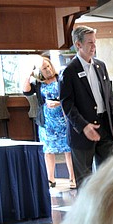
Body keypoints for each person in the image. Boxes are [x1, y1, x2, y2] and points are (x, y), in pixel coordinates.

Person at [60, 25, 113, 186]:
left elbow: (109, 96)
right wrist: (84, 126)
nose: (94, 46)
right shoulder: (69, 71)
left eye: (94, 42)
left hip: (104, 127)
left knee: (107, 177)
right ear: (78, 44)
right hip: (82, 132)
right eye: (90, 43)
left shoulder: (101, 66)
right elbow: (67, 104)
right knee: (85, 181)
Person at [23, 56, 77, 189]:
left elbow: (71, 96)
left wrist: (59, 103)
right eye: (44, 68)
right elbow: (26, 91)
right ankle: (50, 178)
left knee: (68, 149)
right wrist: (28, 75)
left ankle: (72, 177)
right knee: (48, 150)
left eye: (48, 66)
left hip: (63, 119)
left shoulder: (61, 78)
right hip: (47, 122)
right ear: (39, 71)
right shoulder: (38, 84)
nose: (47, 69)